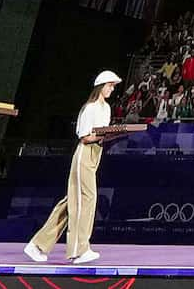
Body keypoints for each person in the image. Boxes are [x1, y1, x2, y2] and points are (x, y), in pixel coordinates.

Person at [28, 69, 127, 262]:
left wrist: (113, 134)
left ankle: (37, 244)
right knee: (86, 198)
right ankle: (79, 249)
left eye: (113, 86)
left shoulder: (106, 108)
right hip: (84, 153)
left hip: (96, 153)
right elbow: (84, 136)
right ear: (100, 86)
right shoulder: (89, 108)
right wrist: (104, 135)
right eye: (109, 85)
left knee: (72, 201)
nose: (112, 89)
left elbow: (101, 135)